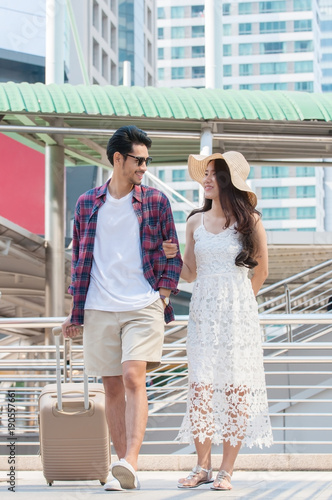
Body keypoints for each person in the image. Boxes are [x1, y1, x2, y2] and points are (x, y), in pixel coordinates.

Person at [61, 125, 182, 491]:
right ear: (118, 159)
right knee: (111, 386)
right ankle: (120, 468)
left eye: (147, 160)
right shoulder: (86, 204)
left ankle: (131, 459)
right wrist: (75, 312)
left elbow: (172, 254)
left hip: (143, 304)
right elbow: (79, 260)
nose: (144, 167)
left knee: (133, 376)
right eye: (139, 160)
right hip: (99, 306)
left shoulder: (157, 202)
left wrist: (162, 294)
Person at [163, 151, 273, 491]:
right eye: (206, 173)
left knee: (237, 389)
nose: (207, 179)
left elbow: (262, 271)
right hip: (202, 314)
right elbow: (191, 274)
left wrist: (240, 303)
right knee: (200, 388)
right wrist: (173, 258)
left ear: (229, 181)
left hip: (238, 316)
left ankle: (226, 470)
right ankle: (202, 467)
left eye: (214, 174)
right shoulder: (195, 221)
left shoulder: (250, 221)